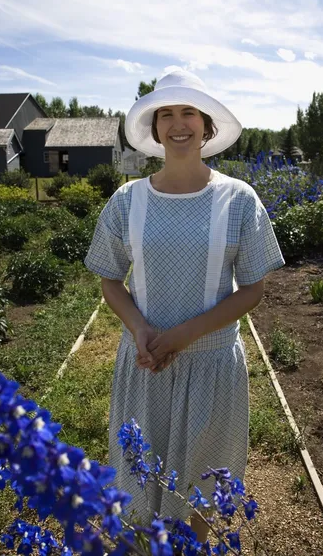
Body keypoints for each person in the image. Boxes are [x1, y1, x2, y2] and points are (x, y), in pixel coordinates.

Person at [84, 67, 286, 543]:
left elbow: (252, 289)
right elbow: (110, 279)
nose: (178, 123)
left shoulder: (239, 199)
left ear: (207, 124)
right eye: (166, 114)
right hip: (146, 364)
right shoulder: (127, 201)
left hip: (212, 366)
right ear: (154, 129)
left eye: (189, 112)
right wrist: (140, 330)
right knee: (141, 481)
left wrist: (181, 336)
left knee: (199, 486)